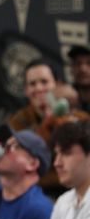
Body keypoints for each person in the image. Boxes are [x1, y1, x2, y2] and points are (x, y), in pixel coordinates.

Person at [7, 59, 90, 196]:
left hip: (78, 188)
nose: (39, 88)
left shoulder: (80, 117)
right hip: (36, 191)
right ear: (26, 90)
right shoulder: (18, 121)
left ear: (56, 85)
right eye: (32, 84)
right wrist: (48, 121)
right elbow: (26, 156)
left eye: (44, 82)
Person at [69, 45, 90, 112]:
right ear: (71, 69)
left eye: (89, 63)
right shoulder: (65, 101)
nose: (83, 69)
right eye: (78, 63)